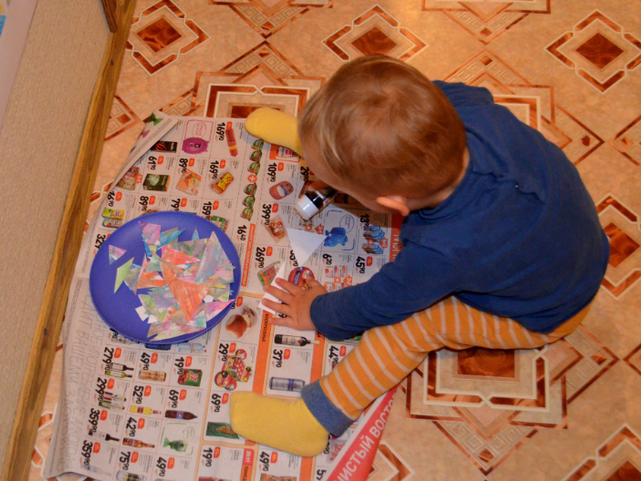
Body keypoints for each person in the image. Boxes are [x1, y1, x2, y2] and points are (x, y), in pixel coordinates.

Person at [228, 55, 609, 457]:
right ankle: (333, 152)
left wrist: (318, 311)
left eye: (339, 182)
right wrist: (343, 151)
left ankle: (312, 422)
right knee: (373, 144)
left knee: (412, 327)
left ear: (392, 203)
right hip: (573, 248)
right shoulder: (464, 111)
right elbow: (407, 111)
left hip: (546, 311)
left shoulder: (444, 249)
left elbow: (377, 303)